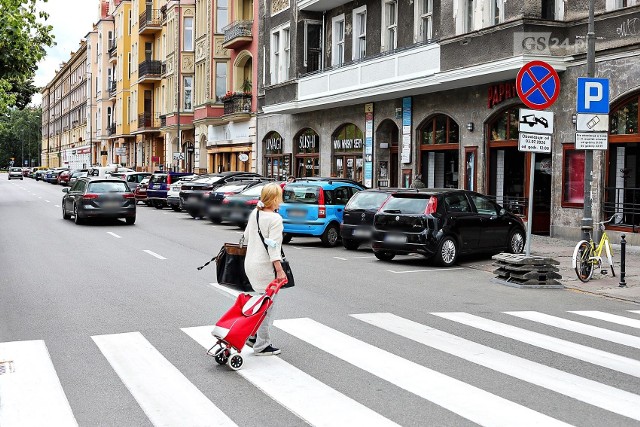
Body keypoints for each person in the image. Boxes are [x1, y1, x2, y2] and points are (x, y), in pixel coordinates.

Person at [242, 183, 286, 356]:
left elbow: (246, 236)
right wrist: (280, 270)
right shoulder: (275, 219)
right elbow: (274, 249)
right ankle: (262, 345)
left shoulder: (256, 213)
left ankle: (253, 336)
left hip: (250, 264)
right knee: (267, 307)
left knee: (260, 303)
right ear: (275, 199)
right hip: (265, 268)